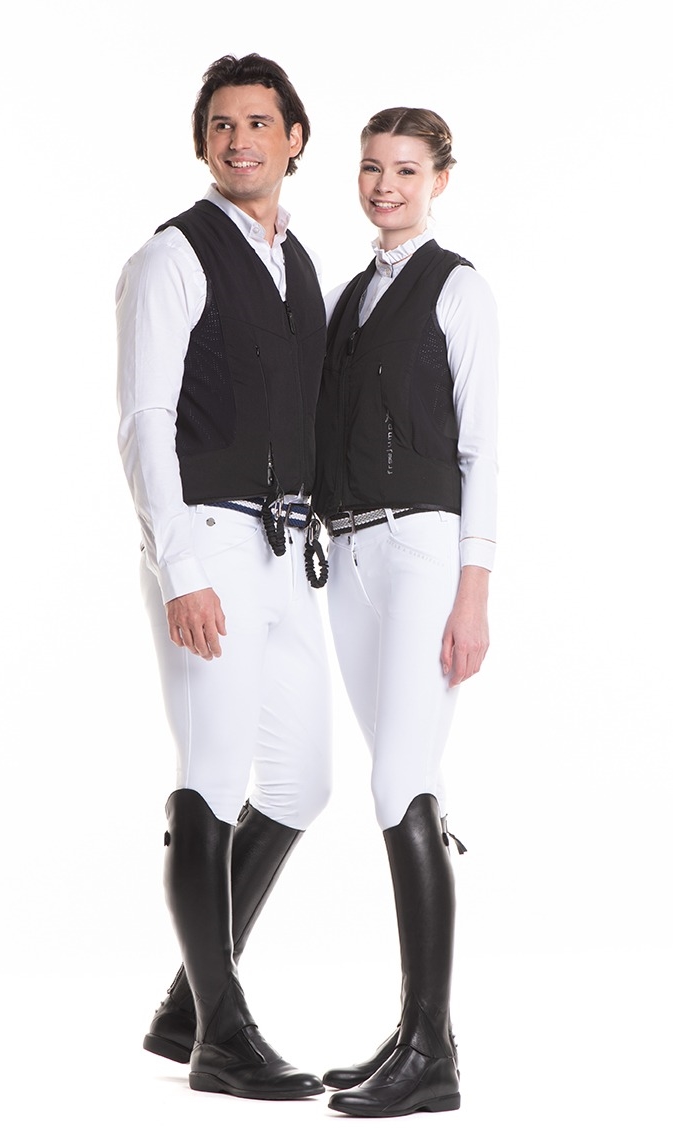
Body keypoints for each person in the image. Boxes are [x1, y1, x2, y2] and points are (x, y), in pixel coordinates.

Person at [115, 53, 331, 1101]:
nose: (239, 140)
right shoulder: (173, 255)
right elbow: (144, 419)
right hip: (207, 538)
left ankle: (184, 1006)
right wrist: (179, 566)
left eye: (257, 122)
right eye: (220, 124)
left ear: (294, 138)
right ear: (203, 142)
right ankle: (222, 1037)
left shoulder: (299, 262)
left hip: (286, 551)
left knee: (302, 781)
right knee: (211, 771)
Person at [312, 107, 498, 1117]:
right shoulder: (349, 297)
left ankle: (432, 1052)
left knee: (399, 778)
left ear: (438, 180)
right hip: (349, 556)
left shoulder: (456, 286)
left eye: (406, 170)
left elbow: (481, 449)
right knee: (401, 781)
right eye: (371, 168)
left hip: (424, 546)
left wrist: (473, 589)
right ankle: (414, 1035)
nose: (385, 186)